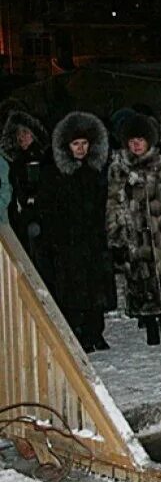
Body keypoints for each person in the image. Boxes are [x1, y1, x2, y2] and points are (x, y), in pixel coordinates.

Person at [107, 113, 161, 346]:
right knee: (141, 279)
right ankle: (150, 325)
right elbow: (113, 203)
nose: (136, 145)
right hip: (136, 235)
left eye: (140, 140)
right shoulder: (120, 167)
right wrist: (117, 234)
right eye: (132, 141)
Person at [37, 112, 111, 352]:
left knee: (95, 287)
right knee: (72, 289)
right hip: (68, 241)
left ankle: (95, 331)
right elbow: (48, 208)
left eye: (85, 143)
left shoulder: (97, 170)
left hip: (94, 239)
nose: (80, 149)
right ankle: (78, 332)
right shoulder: (55, 173)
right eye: (76, 144)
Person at [0, 110, 50, 266]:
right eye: (18, 134)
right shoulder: (15, 162)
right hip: (20, 219)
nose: (21, 137)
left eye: (25, 132)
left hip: (39, 220)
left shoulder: (41, 159)